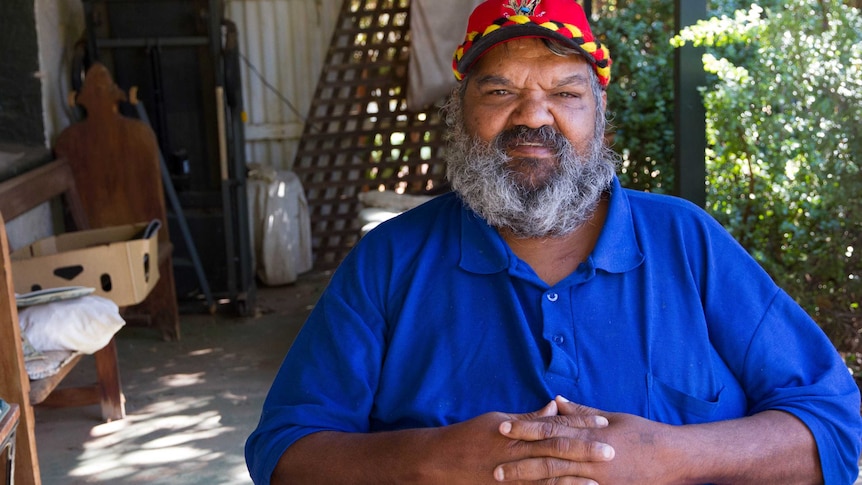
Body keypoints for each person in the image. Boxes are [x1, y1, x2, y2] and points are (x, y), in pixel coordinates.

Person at [246, 0, 862, 483]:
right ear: (460, 114)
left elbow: (834, 425)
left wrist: (671, 455)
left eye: (565, 92)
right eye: (500, 91)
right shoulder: (390, 260)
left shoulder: (687, 241)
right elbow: (285, 450)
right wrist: (431, 461)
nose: (533, 116)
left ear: (600, 114)